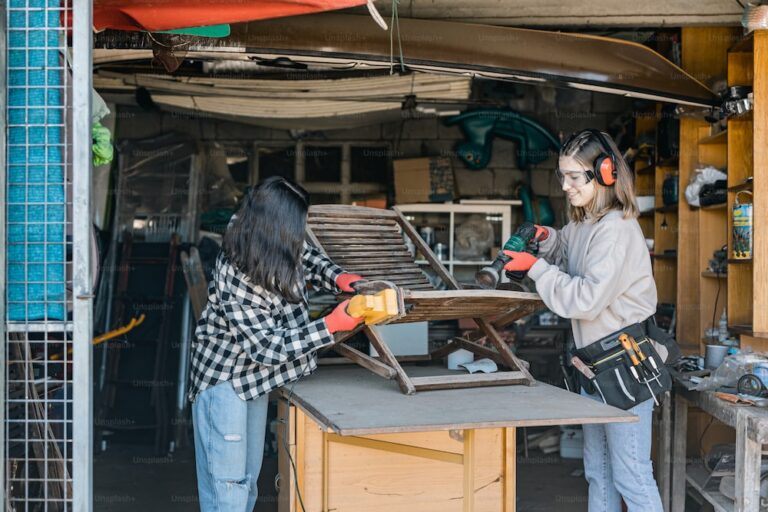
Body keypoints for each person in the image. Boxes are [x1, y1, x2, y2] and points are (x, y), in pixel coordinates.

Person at [502, 129, 663, 512]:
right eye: (562, 176)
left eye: (575, 177)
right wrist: (546, 240)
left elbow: (586, 299)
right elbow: (570, 248)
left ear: (605, 174)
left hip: (627, 368)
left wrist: (537, 268)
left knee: (632, 475)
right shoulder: (585, 224)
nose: (566, 186)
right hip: (593, 367)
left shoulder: (617, 229)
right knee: (599, 471)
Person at [188, 176, 365, 512]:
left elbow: (306, 255)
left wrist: (338, 277)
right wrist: (330, 325)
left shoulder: (270, 234)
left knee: (247, 481)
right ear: (275, 226)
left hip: (255, 380)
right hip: (224, 381)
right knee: (227, 487)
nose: (301, 231)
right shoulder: (236, 273)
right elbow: (267, 349)